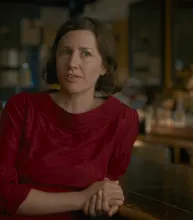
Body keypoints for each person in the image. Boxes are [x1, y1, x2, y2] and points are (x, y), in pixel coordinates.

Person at [0, 16, 139, 220]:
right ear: (55, 58)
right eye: (66, 52)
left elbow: (105, 190)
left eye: (86, 54)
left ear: (104, 67)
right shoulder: (21, 108)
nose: (73, 63)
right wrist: (80, 199)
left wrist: (110, 196)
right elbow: (3, 194)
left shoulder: (123, 120)